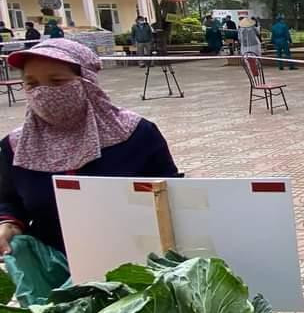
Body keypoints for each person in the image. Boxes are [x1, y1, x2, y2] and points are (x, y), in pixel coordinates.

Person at [0, 39, 179, 257]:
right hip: (55, 273)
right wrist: (8, 223)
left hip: (137, 266)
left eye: (56, 81)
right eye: (32, 84)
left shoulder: (136, 133)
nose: (42, 93)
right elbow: (9, 200)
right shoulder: (17, 147)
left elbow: (173, 195)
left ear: (88, 83)